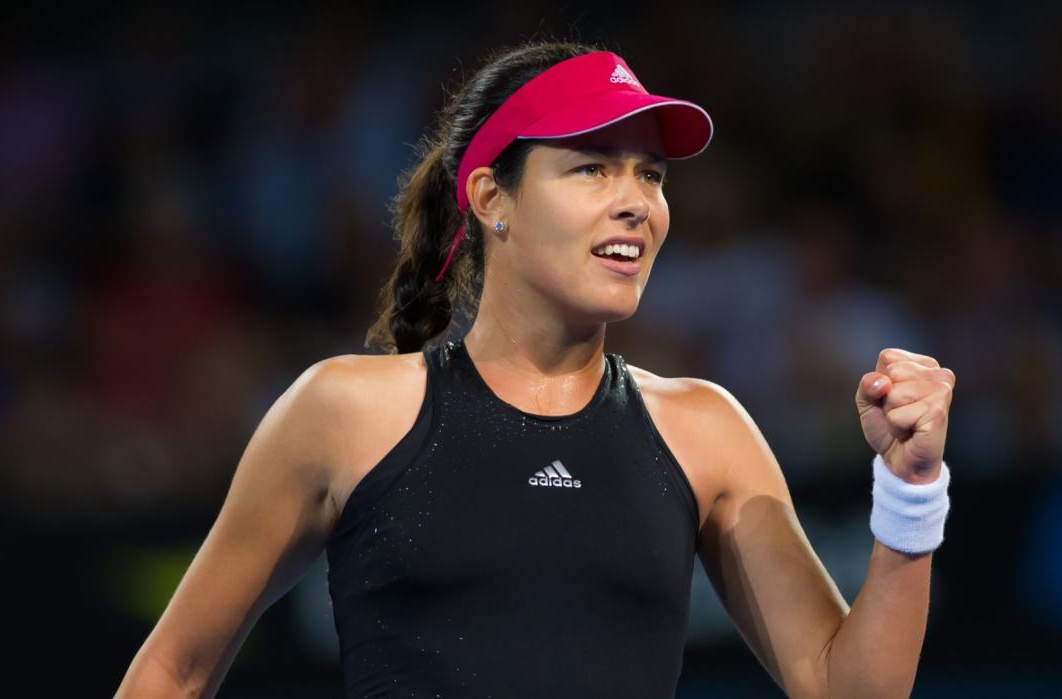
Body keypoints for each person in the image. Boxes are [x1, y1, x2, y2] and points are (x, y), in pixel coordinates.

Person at [115, 40, 957, 698]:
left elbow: (850, 688)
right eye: (592, 166)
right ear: (491, 199)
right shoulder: (344, 411)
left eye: (650, 174)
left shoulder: (705, 430)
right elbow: (172, 673)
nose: (636, 199)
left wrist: (912, 488)